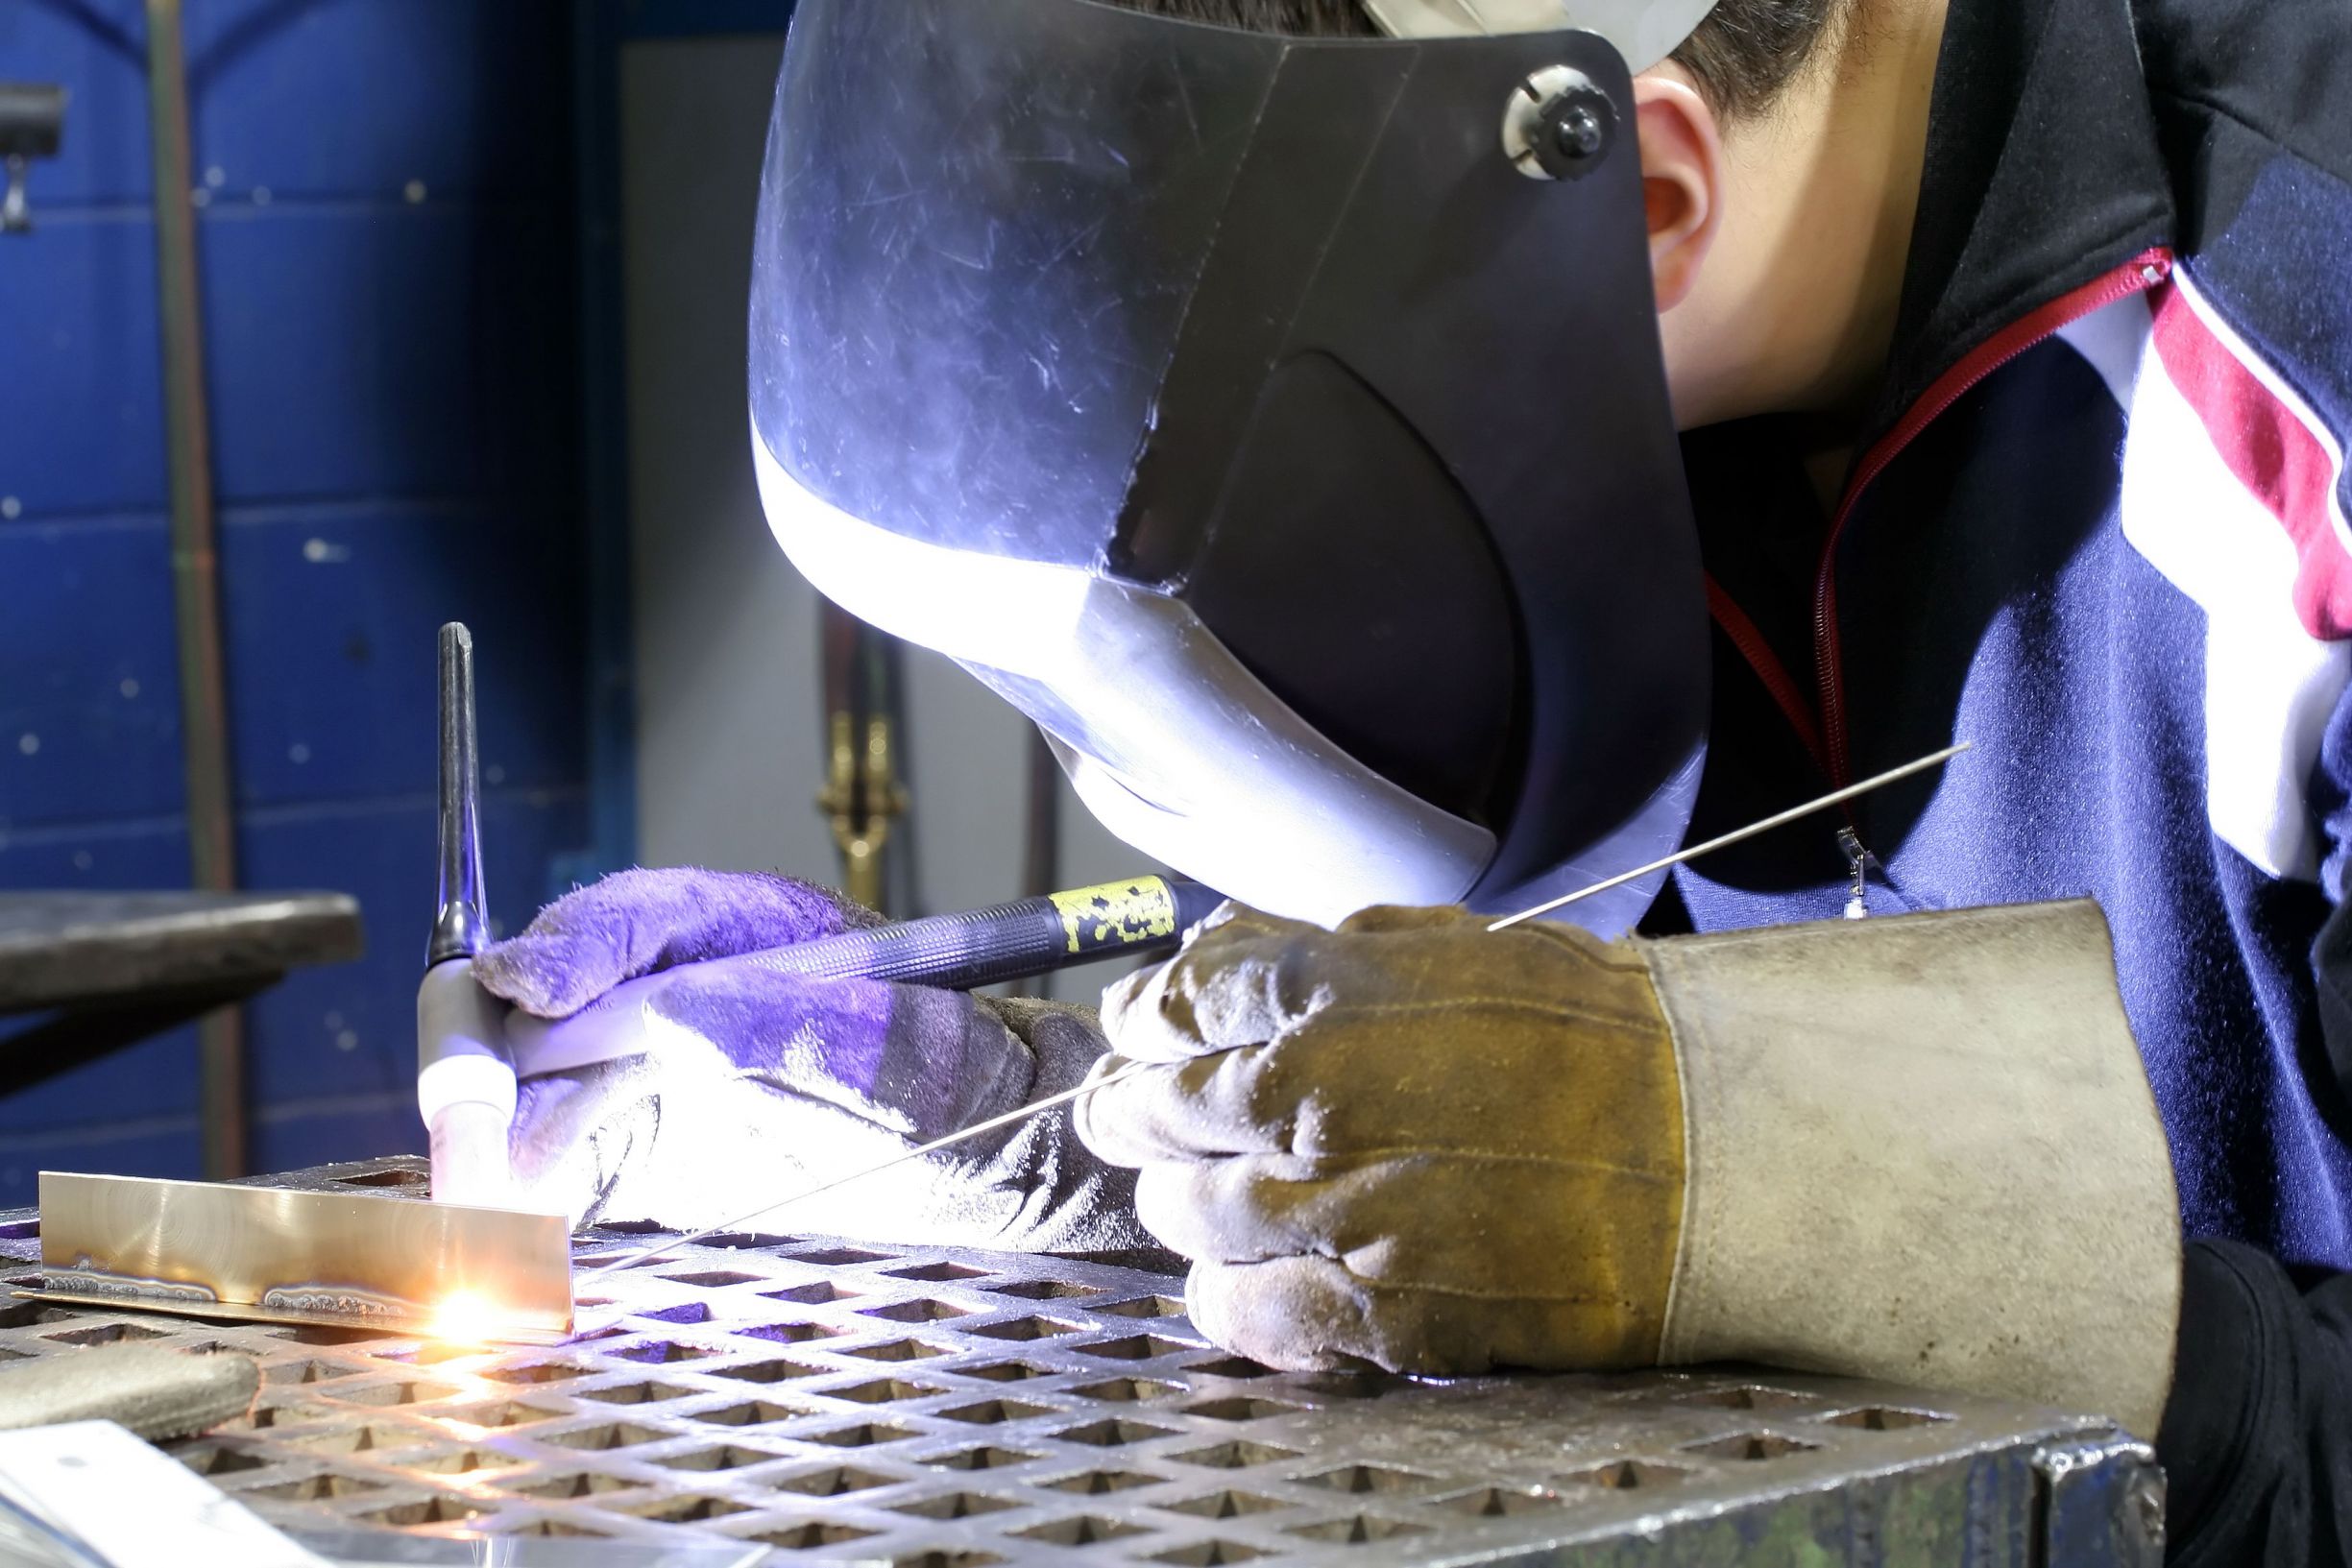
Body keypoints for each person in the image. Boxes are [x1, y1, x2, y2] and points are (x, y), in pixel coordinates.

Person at [474, 0, 2352, 1556]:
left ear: (1638, 207)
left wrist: (1812, 1217)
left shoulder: (2306, 367)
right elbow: (1497, 1142)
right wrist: (1041, 1126)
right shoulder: (1565, 351)